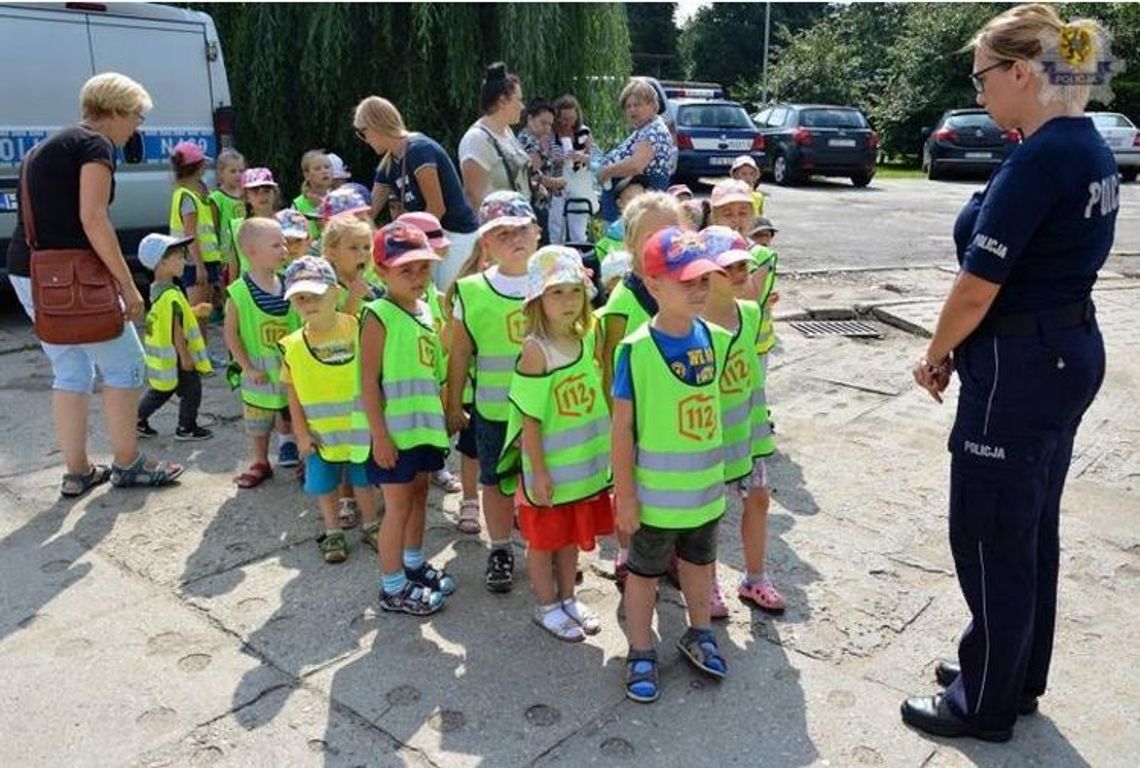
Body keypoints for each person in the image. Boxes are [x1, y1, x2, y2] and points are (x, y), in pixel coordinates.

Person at [900, 4, 1118, 743]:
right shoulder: (1081, 145)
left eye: (982, 75)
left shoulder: (1042, 157)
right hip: (1062, 350)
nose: (979, 91)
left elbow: (976, 286)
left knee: (989, 532)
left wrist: (936, 353)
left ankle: (982, 703)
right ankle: (1010, 673)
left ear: (1022, 72)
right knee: (1028, 529)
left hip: (1021, 368)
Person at [5, 71, 183, 496]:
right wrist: (127, 284)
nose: (136, 128)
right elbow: (93, 217)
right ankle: (128, 463)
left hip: (29, 271)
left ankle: (78, 470)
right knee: (125, 365)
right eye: (136, 117)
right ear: (116, 111)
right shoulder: (95, 145)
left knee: (69, 371)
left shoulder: (46, 147)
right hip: (75, 276)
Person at [611, 227, 732, 703]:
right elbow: (622, 430)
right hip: (656, 501)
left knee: (701, 565)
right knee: (644, 575)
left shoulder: (711, 337)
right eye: (687, 282)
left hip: (705, 494)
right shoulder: (637, 349)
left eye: (704, 280)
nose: (699, 290)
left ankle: (699, 631)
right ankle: (641, 649)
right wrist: (626, 497)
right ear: (653, 284)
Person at [495, 246, 612, 641]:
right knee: (544, 542)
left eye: (574, 291)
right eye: (555, 292)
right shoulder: (535, 350)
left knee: (569, 540)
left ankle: (568, 598)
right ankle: (546, 606)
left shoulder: (586, 336)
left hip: (579, 469)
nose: (568, 301)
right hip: (548, 471)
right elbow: (530, 418)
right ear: (537, 300)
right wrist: (539, 472)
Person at [446, 191, 540, 593]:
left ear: (537, 232)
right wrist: (452, 402)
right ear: (486, 243)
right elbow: (460, 351)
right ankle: (500, 548)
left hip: (546, 413)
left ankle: (545, 547)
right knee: (495, 481)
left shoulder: (556, 280)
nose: (514, 238)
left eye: (521, 229)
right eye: (502, 234)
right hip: (494, 411)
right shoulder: (472, 290)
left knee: (542, 480)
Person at [360, 222, 454, 615]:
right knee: (396, 507)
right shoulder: (378, 314)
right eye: (405, 270)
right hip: (395, 434)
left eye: (423, 268)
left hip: (423, 429)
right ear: (380, 270)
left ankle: (413, 563)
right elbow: (367, 381)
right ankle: (392, 586)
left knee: (419, 497)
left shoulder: (426, 310)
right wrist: (380, 436)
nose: (417, 277)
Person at [699, 226, 784, 615]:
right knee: (710, 511)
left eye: (742, 267)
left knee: (759, 500)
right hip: (709, 435)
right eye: (728, 269)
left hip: (748, 432)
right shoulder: (693, 326)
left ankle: (755, 577)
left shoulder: (749, 315)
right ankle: (708, 581)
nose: (739, 275)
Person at [279, 256, 375, 564]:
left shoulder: (358, 327)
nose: (307, 303)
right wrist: (301, 434)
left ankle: (372, 524)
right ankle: (333, 531)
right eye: (299, 297)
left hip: (360, 428)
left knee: (362, 480)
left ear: (335, 293)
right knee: (325, 485)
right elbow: (291, 391)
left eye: (315, 294)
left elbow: (374, 375)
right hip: (320, 435)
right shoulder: (292, 345)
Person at [356, 95, 478, 290]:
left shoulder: (419, 150)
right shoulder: (388, 164)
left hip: (456, 235)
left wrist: (406, 244)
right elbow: (369, 211)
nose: (365, 139)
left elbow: (437, 208)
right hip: (431, 236)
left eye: (364, 132)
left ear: (377, 124)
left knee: (446, 298)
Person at [224, 218, 301, 488]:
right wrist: (247, 367)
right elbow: (231, 335)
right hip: (258, 376)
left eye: (284, 243)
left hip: (289, 372)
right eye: (276, 244)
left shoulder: (290, 285)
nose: (284, 249)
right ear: (253, 252)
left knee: (292, 414)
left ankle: (302, 458)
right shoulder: (239, 292)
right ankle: (260, 461)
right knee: (258, 422)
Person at [396, 211, 466, 498]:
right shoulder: (397, 298)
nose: (443, 247)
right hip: (412, 379)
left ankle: (437, 467)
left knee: (440, 423)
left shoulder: (432, 291)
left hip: (436, 372)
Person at [136, 233, 214, 441]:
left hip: (169, 355)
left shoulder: (159, 291)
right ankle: (186, 427)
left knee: (162, 390)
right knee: (192, 390)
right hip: (180, 355)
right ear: (161, 262)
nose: (184, 260)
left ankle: (136, 419)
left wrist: (195, 311)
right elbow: (176, 328)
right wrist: (186, 358)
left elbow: (174, 316)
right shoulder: (170, 295)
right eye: (179, 257)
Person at [596, 78, 677, 222]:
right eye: (628, 106)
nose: (631, 110)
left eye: (637, 105)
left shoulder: (654, 131)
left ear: (653, 106)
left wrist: (606, 172)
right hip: (623, 206)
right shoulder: (644, 129)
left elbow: (636, 165)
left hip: (636, 207)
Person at [459, 62, 532, 208]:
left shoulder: (507, 132)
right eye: (519, 100)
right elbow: (473, 197)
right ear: (502, 101)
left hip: (518, 223)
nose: (523, 106)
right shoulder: (477, 139)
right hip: (496, 228)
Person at [169, 140, 223, 326]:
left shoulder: (191, 195)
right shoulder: (188, 197)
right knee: (196, 318)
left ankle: (202, 354)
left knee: (202, 317)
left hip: (203, 261)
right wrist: (200, 266)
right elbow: (189, 234)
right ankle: (192, 354)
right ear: (199, 167)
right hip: (195, 263)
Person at [548, 95, 595, 245]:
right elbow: (545, 157)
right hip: (558, 182)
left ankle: (580, 254)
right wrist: (557, 159)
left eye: (572, 118)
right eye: (564, 118)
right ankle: (555, 253)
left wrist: (579, 156)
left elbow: (595, 159)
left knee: (578, 226)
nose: (568, 122)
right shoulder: (551, 134)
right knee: (556, 224)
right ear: (557, 117)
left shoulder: (584, 132)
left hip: (578, 181)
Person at [320, 212, 380, 317]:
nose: (363, 254)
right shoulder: (323, 286)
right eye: (354, 248)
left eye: (367, 247)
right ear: (332, 253)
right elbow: (330, 330)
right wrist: (353, 298)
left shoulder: (376, 276)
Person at [230, 167, 280, 277]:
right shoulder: (237, 226)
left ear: (274, 193)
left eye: (266, 191)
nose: (262, 196)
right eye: (255, 192)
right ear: (247, 197)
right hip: (247, 287)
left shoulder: (286, 222)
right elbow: (234, 263)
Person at [210, 148, 247, 285]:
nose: (238, 175)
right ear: (221, 173)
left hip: (246, 251)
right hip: (226, 256)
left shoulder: (248, 195)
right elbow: (214, 229)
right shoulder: (216, 198)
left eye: (241, 171)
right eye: (233, 171)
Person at [293, 149, 333, 239]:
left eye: (327, 167)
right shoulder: (298, 204)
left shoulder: (339, 199)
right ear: (307, 175)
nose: (324, 171)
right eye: (317, 169)